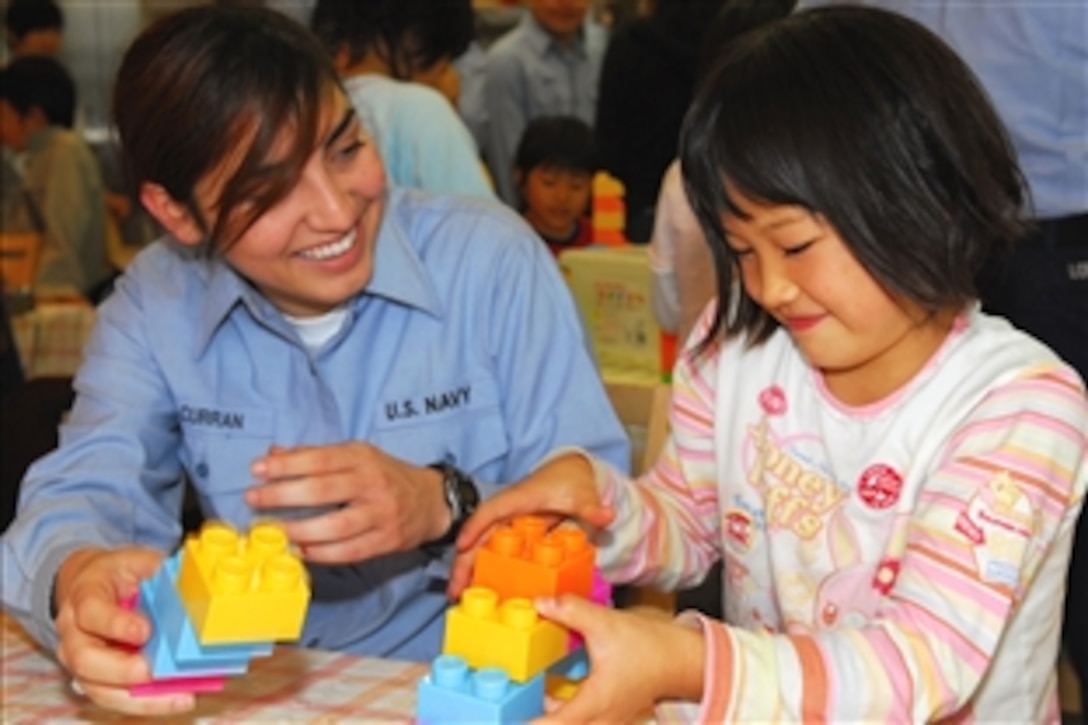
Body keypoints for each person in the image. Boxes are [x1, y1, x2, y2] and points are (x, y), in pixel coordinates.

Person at [450, 7, 1088, 722]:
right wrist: (597, 509)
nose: (768, 287)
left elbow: (922, 661)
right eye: (742, 250)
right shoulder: (736, 345)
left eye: (796, 246)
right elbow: (687, 523)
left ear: (924, 203)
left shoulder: (1018, 404)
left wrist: (687, 660)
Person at [0, 5, 628, 717]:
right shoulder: (155, 303)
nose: (336, 212)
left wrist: (446, 502)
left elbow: (601, 514)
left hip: (471, 689)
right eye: (269, 191)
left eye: (344, 147)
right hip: (253, 694)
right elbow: (82, 488)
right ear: (176, 213)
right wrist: (77, 575)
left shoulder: (489, 262)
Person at [308, 0, 494, 200]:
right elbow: (482, 222)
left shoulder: (305, 105)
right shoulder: (419, 108)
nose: (450, 74)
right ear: (415, 40)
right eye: (445, 62)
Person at [593, 0, 725, 243]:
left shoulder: (631, 42)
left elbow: (608, 141)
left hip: (641, 206)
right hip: (720, 203)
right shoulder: (735, 40)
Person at [0, 55, 111, 300]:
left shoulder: (64, 151)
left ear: (34, 117)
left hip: (67, 297)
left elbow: (63, 240)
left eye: (4, 114)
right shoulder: (40, 156)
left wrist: (45, 296)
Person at [481, 0, 608, 207]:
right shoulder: (507, 61)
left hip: (596, 211)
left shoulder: (602, 47)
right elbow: (506, 158)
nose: (565, 4)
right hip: (534, 216)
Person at [513, 115, 597, 257]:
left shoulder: (599, 238)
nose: (562, 196)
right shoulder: (510, 238)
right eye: (549, 182)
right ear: (520, 177)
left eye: (576, 185)